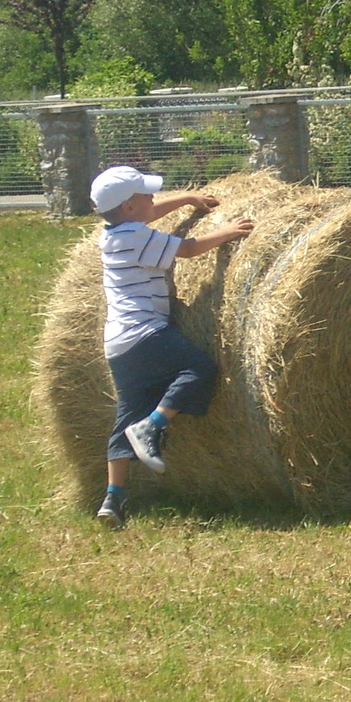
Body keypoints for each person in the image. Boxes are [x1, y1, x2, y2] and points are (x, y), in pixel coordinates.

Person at [90, 165, 254, 529]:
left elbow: (148, 212)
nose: (153, 198)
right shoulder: (136, 236)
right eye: (145, 194)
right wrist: (226, 232)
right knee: (198, 369)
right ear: (129, 208)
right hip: (146, 332)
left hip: (119, 344)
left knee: (125, 415)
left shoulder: (113, 232)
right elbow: (190, 249)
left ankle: (113, 498)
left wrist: (188, 199)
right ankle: (154, 426)